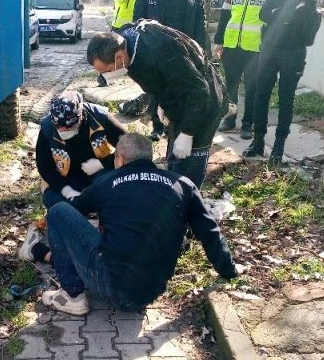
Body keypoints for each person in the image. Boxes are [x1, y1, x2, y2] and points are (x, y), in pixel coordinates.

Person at [33, 133, 238, 315]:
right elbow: (210, 231)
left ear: (120, 159)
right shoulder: (183, 184)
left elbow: (74, 211)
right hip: (152, 290)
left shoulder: (107, 182)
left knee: (58, 212)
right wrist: (229, 271)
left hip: (113, 288)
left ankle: (72, 295)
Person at [87, 20, 227, 189]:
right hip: (179, 98)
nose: (104, 77)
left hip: (205, 102)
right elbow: (157, 80)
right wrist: (161, 102)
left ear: (119, 57)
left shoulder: (163, 52)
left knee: (189, 163)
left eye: (106, 71)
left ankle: (189, 197)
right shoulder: (124, 44)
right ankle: (173, 191)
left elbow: (199, 92)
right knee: (175, 157)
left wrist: (188, 133)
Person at [243, 0, 322, 164]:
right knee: (261, 94)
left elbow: (299, 18)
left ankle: (278, 147)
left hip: (292, 51)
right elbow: (264, 13)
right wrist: (284, 13)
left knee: (286, 99)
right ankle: (258, 141)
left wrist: (281, 14)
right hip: (270, 49)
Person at [133, 0, 206, 141]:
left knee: (182, 88)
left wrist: (201, 47)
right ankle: (157, 126)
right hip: (156, 49)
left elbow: (200, 22)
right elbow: (138, 19)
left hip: (183, 50)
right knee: (158, 88)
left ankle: (177, 125)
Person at [213, 0, 275, 139]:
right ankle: (230, 118)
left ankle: (248, 123)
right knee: (231, 86)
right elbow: (225, 15)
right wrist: (219, 40)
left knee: (252, 88)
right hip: (232, 46)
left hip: (255, 48)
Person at [35, 91, 127, 209]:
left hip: (101, 173)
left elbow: (129, 148)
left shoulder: (100, 117)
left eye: (68, 128)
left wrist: (102, 163)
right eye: (59, 128)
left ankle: (89, 206)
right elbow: (44, 166)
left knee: (113, 187)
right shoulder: (47, 127)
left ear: (80, 117)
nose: (63, 131)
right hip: (69, 179)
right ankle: (85, 206)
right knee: (51, 199)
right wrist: (66, 191)